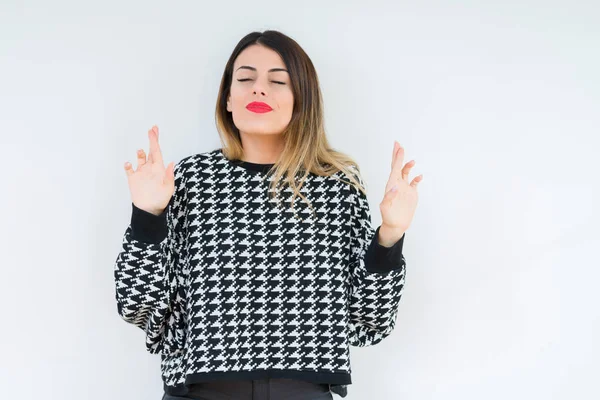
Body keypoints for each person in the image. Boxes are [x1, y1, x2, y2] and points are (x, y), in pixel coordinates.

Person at [114, 30, 422, 400]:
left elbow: (367, 322)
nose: (259, 89)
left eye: (277, 81)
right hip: (199, 391)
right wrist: (146, 215)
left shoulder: (337, 186)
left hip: (305, 391)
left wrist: (390, 234)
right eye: (245, 79)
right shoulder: (187, 181)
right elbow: (138, 308)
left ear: (301, 99)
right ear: (228, 98)